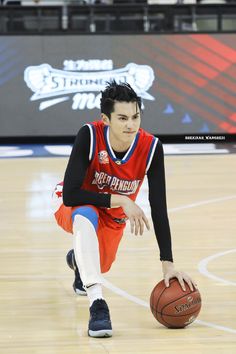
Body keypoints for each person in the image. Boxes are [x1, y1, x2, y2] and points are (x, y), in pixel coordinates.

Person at [52, 81, 197, 338]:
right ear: (105, 119)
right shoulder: (89, 134)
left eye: (135, 117)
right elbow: (73, 194)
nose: (130, 124)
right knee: (85, 214)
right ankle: (97, 304)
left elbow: (159, 207)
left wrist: (168, 264)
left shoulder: (151, 147)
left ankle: (78, 261)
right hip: (74, 204)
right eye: (122, 118)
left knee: (101, 264)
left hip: (110, 215)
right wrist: (121, 199)